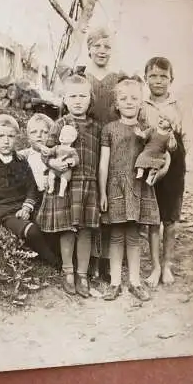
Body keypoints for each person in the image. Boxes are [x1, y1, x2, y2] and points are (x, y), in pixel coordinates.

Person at [60, 27, 125, 280]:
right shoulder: (80, 76)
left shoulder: (118, 78)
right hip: (85, 143)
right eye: (97, 46)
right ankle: (89, 259)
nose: (102, 51)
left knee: (108, 197)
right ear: (88, 48)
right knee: (88, 198)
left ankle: (107, 258)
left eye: (107, 47)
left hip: (110, 142)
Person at [0, 114, 60, 270]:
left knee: (48, 223)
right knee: (32, 231)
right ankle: (55, 263)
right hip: (3, 210)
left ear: (17, 137)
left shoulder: (21, 160)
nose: (6, 140)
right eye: (1, 136)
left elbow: (31, 188)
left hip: (22, 206)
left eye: (10, 136)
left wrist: (27, 206)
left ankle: (62, 257)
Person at [99, 75, 162, 302]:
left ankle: (134, 282)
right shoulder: (109, 129)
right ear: (116, 103)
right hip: (115, 186)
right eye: (123, 98)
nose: (128, 102)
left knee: (134, 236)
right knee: (116, 235)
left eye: (134, 98)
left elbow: (157, 154)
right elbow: (103, 163)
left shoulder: (146, 130)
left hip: (138, 187)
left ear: (140, 102)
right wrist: (103, 192)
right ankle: (115, 283)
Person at [37, 74, 101, 298]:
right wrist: (51, 162)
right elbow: (46, 151)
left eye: (82, 96)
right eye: (72, 96)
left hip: (88, 186)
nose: (77, 100)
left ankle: (83, 275)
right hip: (66, 183)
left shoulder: (96, 127)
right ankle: (68, 273)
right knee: (67, 229)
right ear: (64, 99)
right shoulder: (59, 124)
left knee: (85, 230)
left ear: (90, 99)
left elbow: (101, 159)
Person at [141, 57, 187, 287]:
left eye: (163, 77)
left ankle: (167, 264)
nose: (158, 81)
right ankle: (155, 266)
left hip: (174, 169)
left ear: (171, 79)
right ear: (145, 78)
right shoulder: (141, 106)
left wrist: (173, 147)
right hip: (151, 168)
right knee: (152, 220)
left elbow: (185, 141)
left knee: (169, 220)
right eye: (153, 76)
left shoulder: (179, 107)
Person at [135, 113, 177, 185]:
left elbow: (171, 147)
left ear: (170, 125)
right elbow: (145, 135)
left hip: (159, 156)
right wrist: (140, 134)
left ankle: (150, 178)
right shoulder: (153, 129)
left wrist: (172, 137)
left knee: (155, 168)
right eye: (160, 117)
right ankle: (140, 173)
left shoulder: (168, 136)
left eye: (165, 120)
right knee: (141, 158)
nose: (161, 120)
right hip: (147, 153)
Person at [18, 113, 54, 197]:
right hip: (27, 198)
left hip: (49, 198)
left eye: (45, 132)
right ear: (28, 137)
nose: (39, 135)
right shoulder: (22, 156)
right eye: (33, 132)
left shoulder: (55, 155)